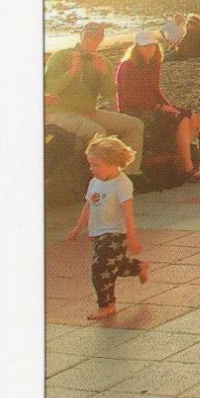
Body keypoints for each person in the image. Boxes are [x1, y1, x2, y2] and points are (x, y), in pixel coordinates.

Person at [45, 23, 146, 179]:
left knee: (134, 125)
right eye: (88, 36)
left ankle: (127, 176)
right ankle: (103, 178)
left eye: (96, 37)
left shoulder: (101, 61)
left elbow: (109, 93)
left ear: (101, 40)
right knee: (97, 132)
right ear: (81, 35)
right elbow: (50, 88)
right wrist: (72, 72)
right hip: (60, 112)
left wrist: (104, 74)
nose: (91, 40)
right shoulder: (61, 56)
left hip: (89, 112)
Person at [65, 135, 147, 321]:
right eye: (90, 164)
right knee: (114, 266)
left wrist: (132, 238)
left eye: (96, 165)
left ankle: (107, 305)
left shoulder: (123, 184)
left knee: (100, 269)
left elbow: (128, 213)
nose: (91, 169)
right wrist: (78, 228)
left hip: (115, 235)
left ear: (112, 163)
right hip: (98, 234)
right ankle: (139, 266)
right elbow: (88, 206)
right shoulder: (94, 183)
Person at [114, 30, 200, 183]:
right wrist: (160, 108)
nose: (149, 49)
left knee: (193, 117)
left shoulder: (153, 63)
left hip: (152, 106)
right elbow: (131, 97)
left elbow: (155, 91)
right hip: (133, 109)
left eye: (152, 46)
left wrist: (170, 107)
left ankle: (181, 160)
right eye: (145, 47)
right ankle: (189, 169)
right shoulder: (127, 66)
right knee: (181, 120)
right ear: (137, 48)